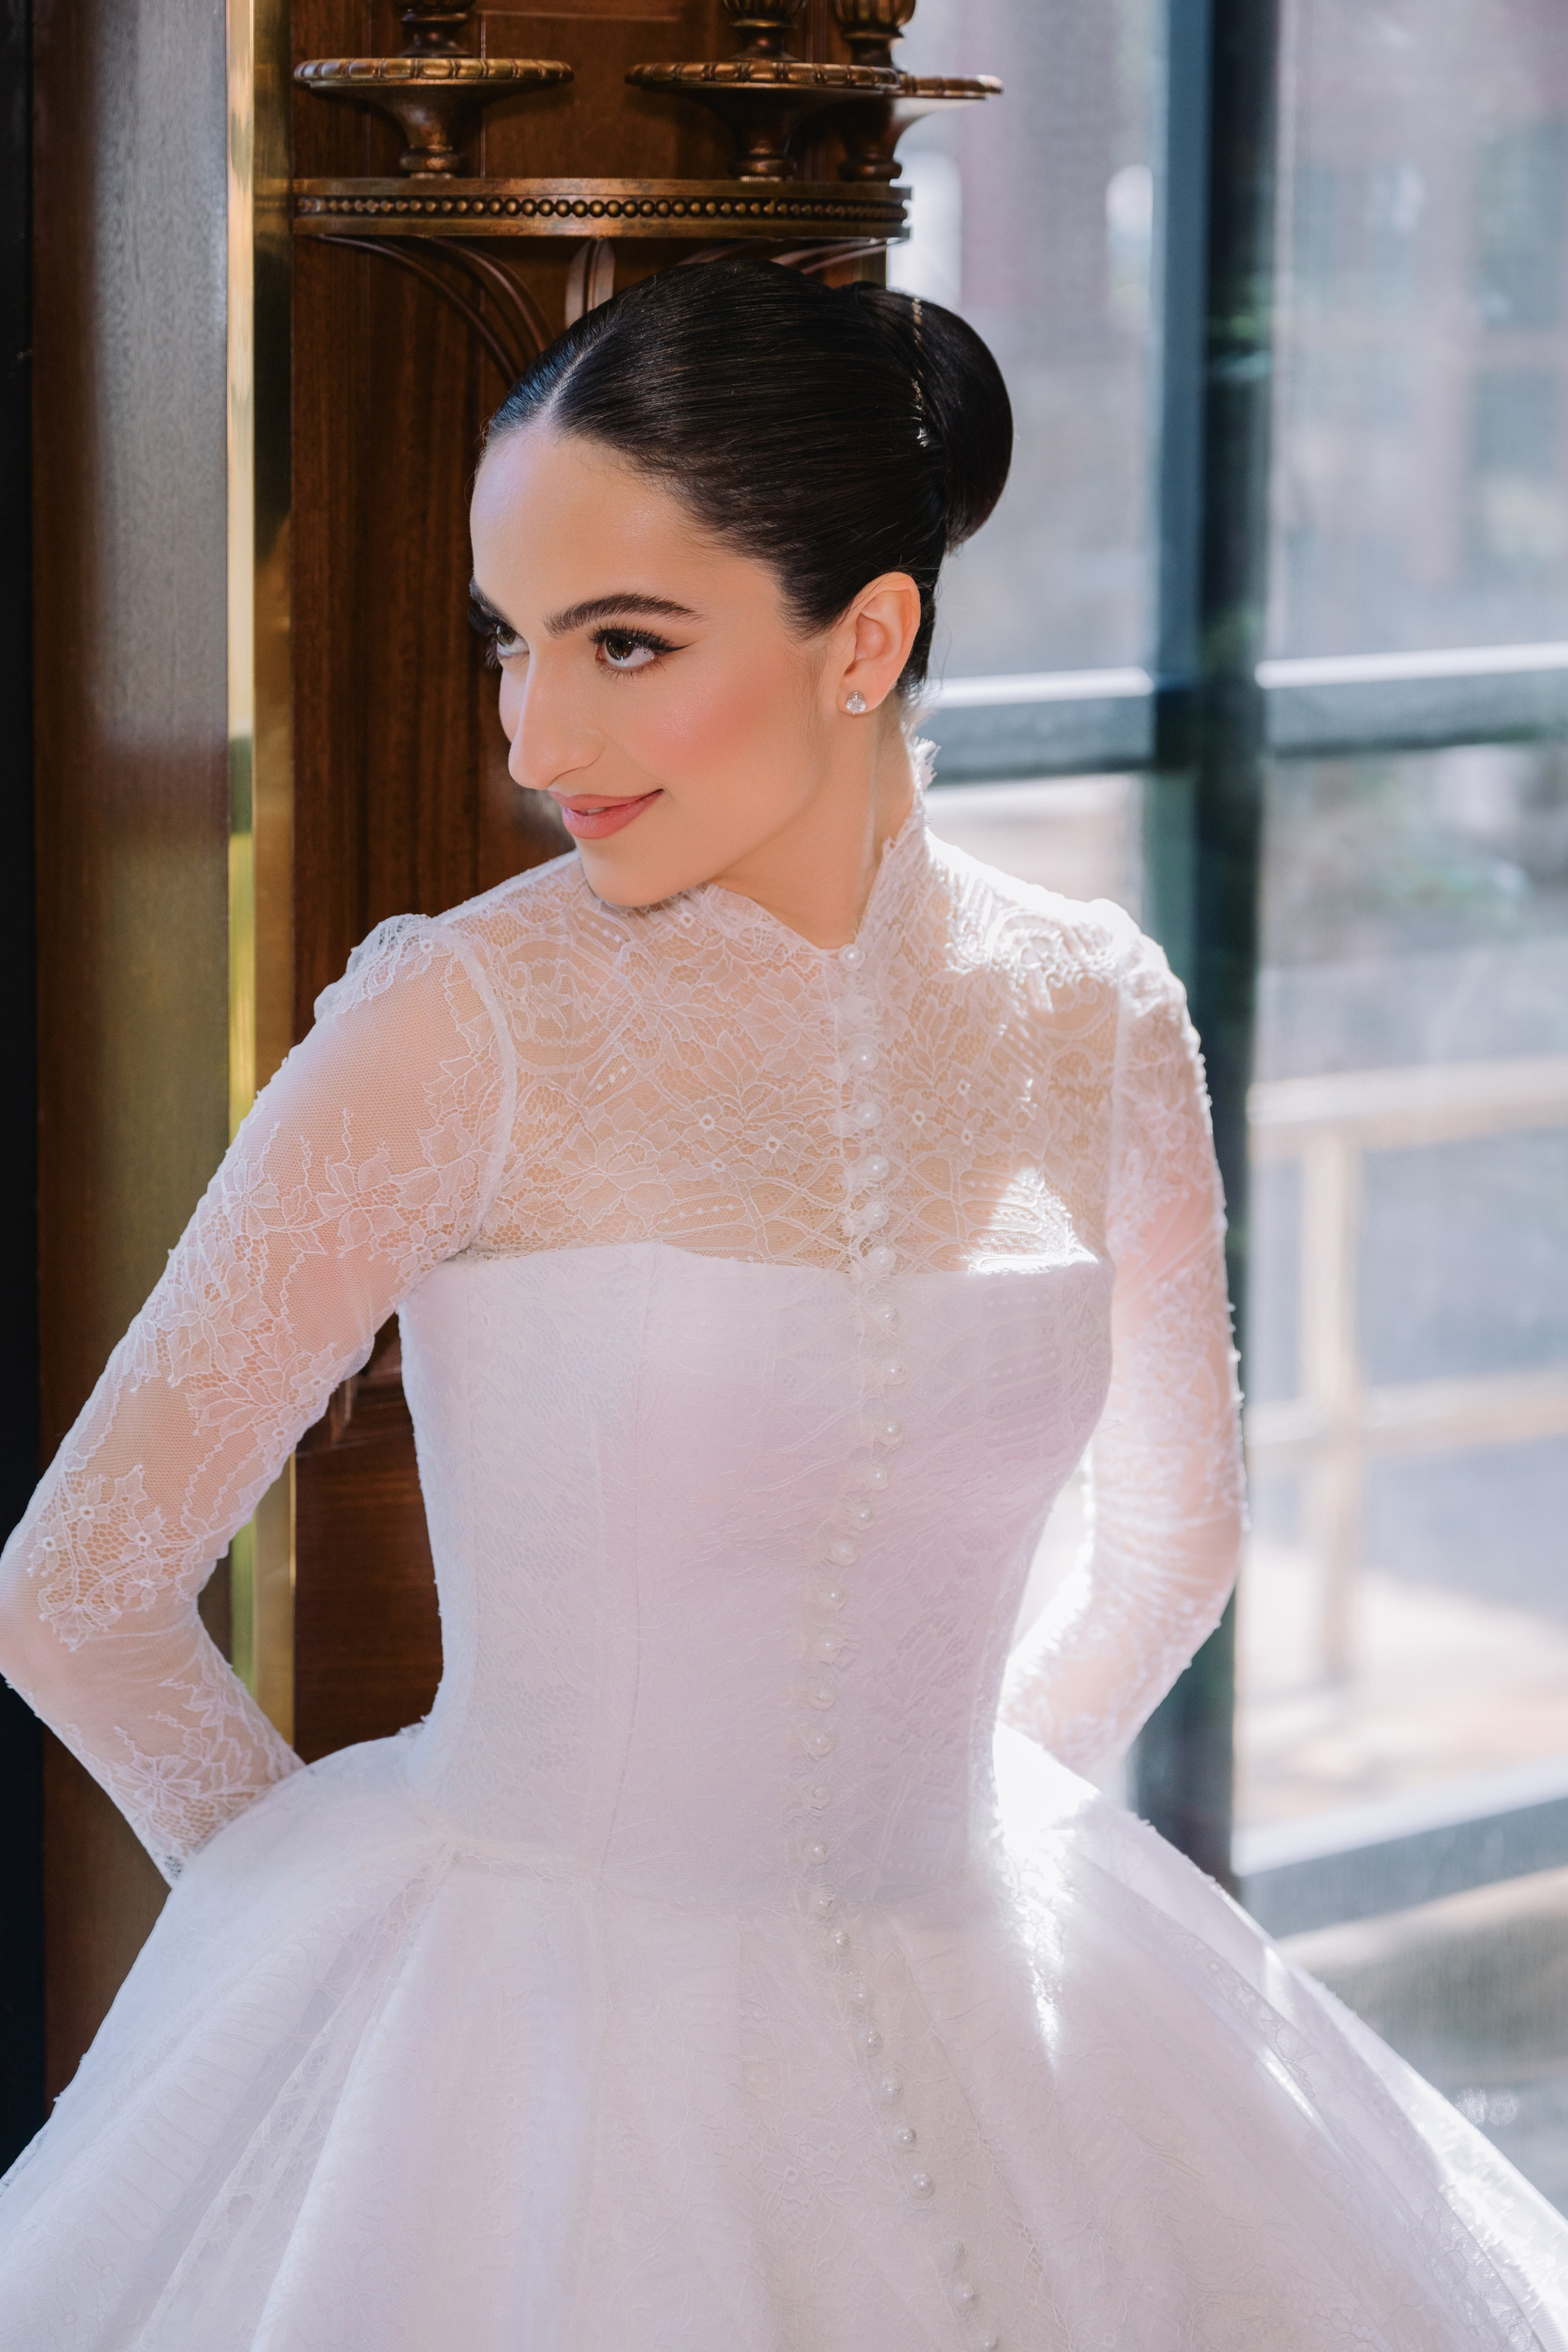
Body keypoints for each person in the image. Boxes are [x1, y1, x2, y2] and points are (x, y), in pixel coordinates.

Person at [0, 259, 1563, 2350]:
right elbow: (75, 1594)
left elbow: (1176, 1551)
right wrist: (335, 1947)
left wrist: (961, 1860)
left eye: (626, 644)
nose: (538, 735)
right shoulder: (460, 1023)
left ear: (870, 639)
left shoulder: (1097, 1010)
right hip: (542, 2062)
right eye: (511, 642)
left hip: (1003, 1978)